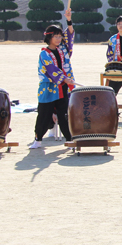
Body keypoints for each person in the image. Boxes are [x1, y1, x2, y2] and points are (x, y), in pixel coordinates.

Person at [29, 9, 75, 149]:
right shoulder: (44, 53)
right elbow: (51, 70)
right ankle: (38, 139)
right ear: (49, 37)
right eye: (55, 36)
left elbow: (70, 36)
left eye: (60, 36)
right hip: (48, 87)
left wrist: (68, 20)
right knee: (44, 113)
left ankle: (69, 139)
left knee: (64, 114)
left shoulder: (63, 50)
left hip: (62, 87)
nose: (58, 39)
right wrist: (65, 79)